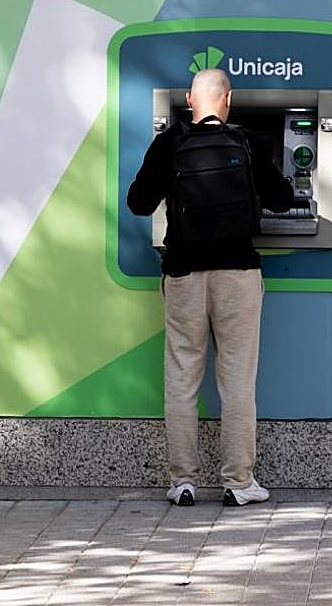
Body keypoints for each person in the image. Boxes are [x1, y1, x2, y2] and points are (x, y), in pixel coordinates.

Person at [128, 68, 293, 507]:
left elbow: (138, 203)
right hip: (237, 273)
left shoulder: (170, 143)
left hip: (183, 273)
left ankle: (183, 481)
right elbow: (284, 198)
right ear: (229, 100)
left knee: (182, 376)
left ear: (188, 99)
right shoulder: (248, 142)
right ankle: (238, 483)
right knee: (237, 377)